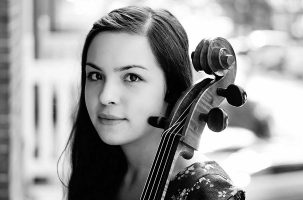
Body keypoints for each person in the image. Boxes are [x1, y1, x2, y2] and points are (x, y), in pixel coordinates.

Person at [61, 6, 245, 200]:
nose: (105, 96)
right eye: (95, 75)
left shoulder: (207, 193)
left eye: (132, 77)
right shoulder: (99, 169)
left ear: (171, 88)